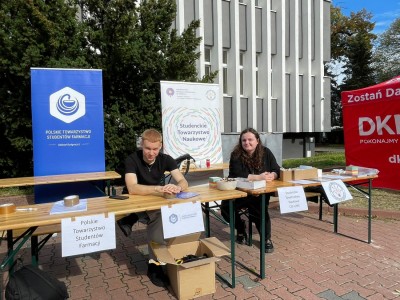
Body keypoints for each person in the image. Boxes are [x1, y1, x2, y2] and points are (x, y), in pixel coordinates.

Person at [117, 129, 188, 287]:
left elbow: (183, 181)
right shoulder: (131, 159)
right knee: (160, 217)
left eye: (155, 149)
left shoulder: (166, 159)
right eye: (148, 148)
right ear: (142, 144)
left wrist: (177, 188)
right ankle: (155, 266)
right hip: (133, 199)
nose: (151, 153)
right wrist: (159, 189)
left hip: (153, 200)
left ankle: (131, 219)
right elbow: (132, 188)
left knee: (163, 215)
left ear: (160, 146)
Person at [220, 128, 280, 253]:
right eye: (244, 140)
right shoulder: (236, 154)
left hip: (259, 192)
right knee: (226, 207)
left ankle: (266, 239)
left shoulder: (266, 152)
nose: (247, 143)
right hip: (240, 192)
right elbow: (235, 174)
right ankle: (241, 228)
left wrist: (272, 175)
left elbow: (276, 169)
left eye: (250, 139)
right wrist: (258, 177)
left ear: (257, 140)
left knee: (259, 209)